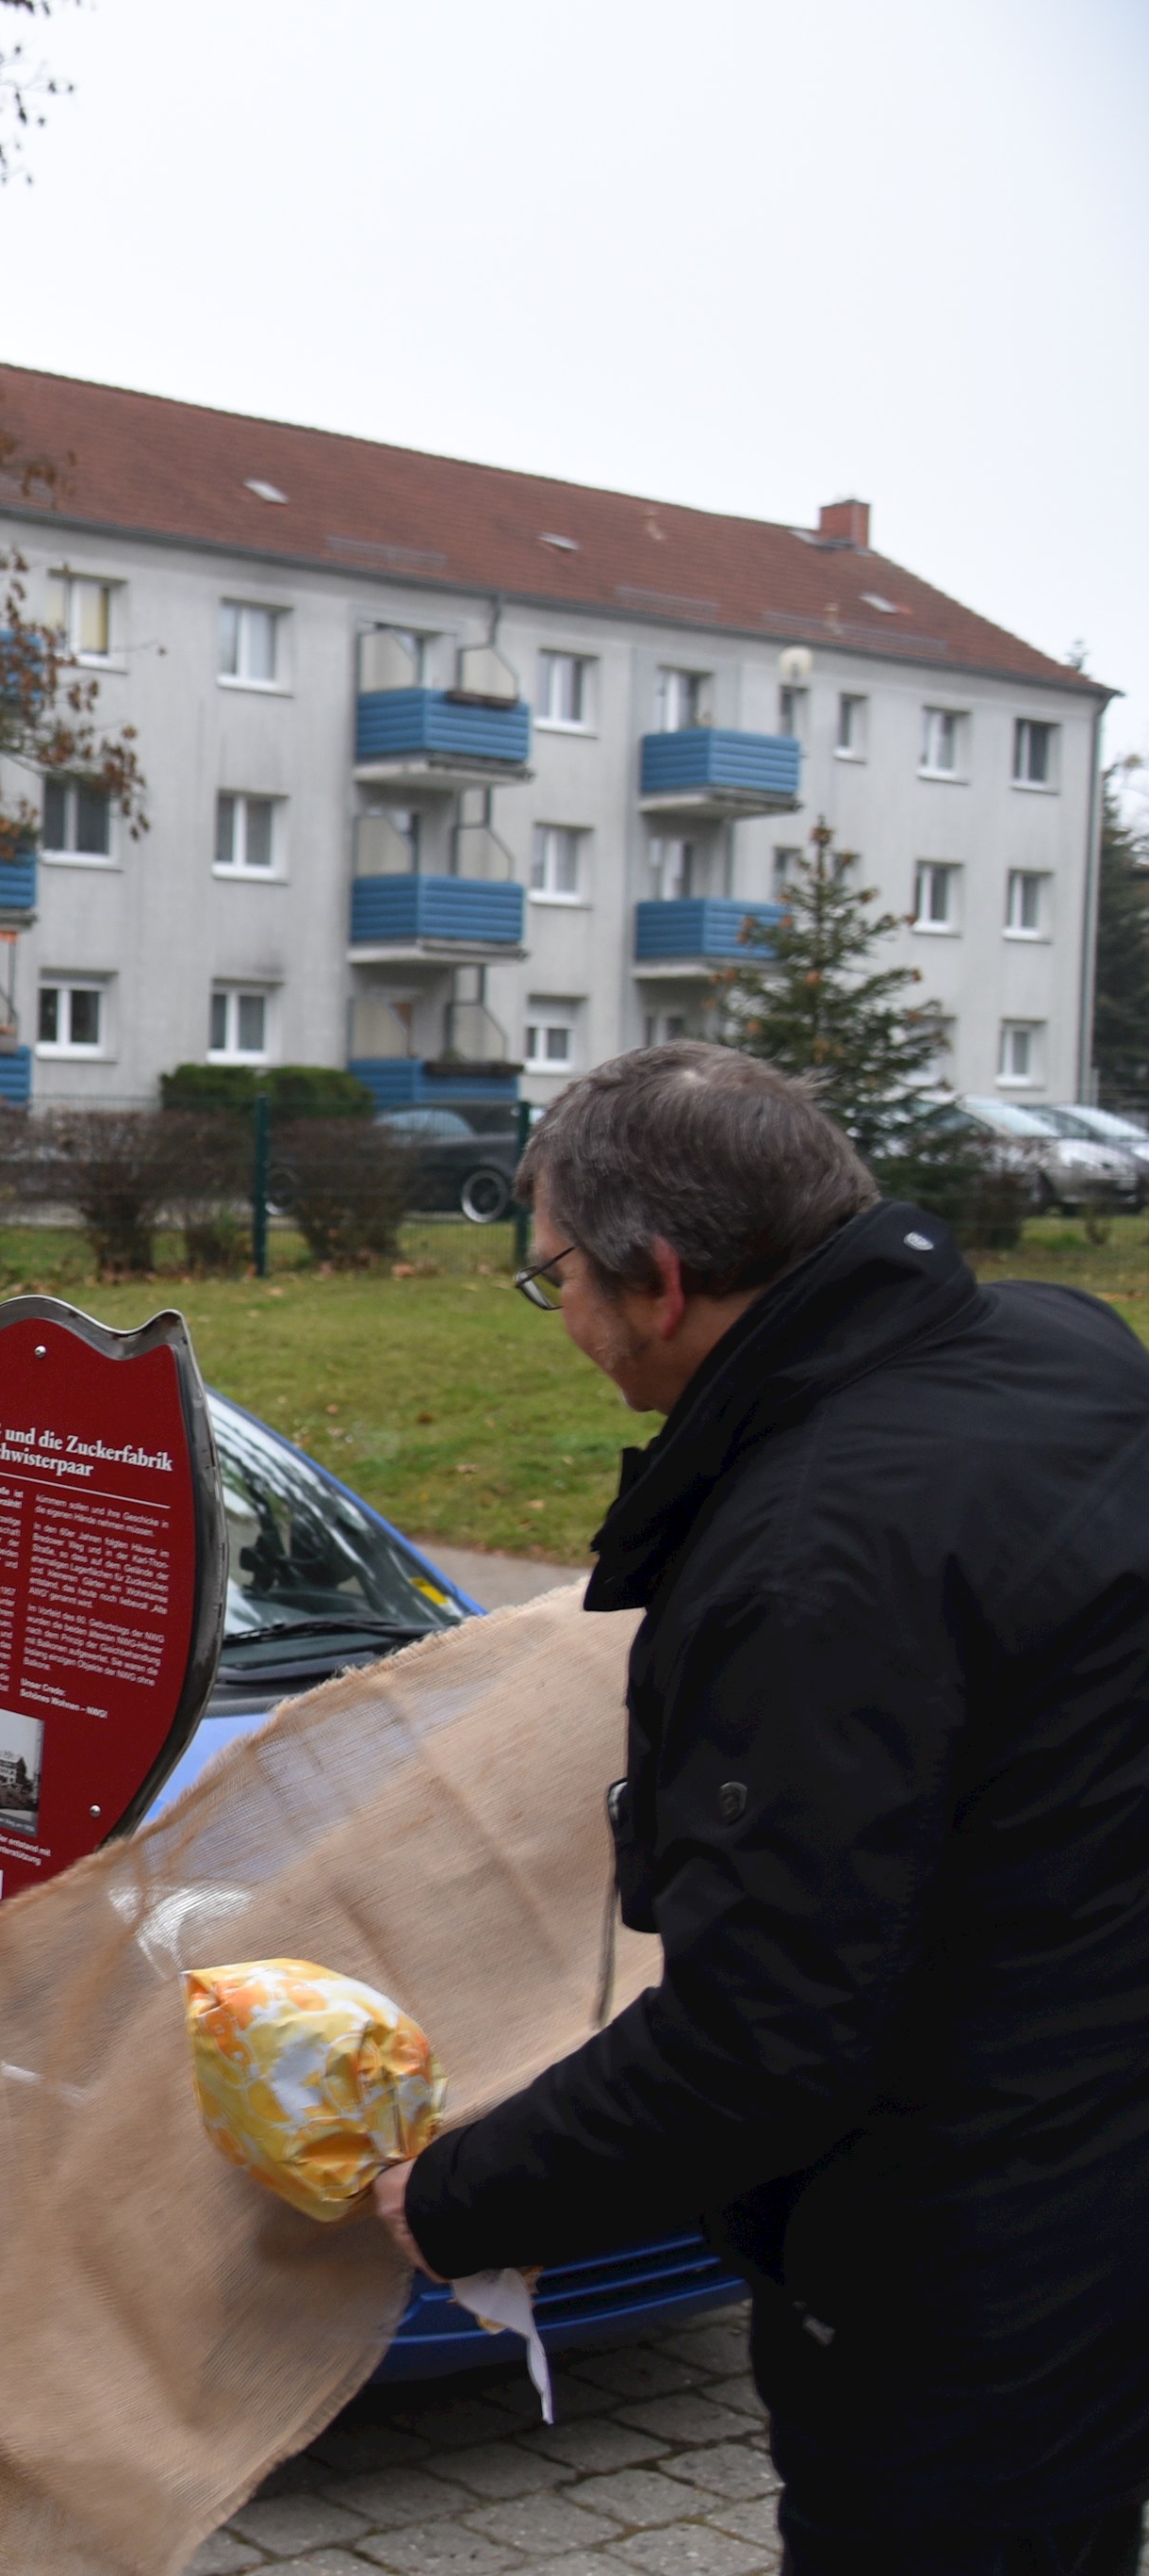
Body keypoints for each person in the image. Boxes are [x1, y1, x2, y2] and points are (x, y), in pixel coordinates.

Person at [374, 1044, 1149, 2575]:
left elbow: (762, 2041)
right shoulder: (1070, 1353)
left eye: (557, 1281)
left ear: (659, 1279)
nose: (566, 1323)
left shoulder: (811, 1555)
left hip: (957, 2270)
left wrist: (455, 2192)